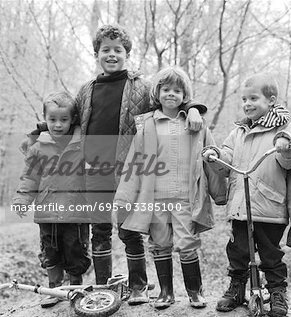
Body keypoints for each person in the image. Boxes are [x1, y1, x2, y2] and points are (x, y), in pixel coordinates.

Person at [21, 24, 207, 304]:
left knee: (130, 229)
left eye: (117, 50)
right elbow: (67, 119)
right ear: (96, 53)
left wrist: (194, 108)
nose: (111, 54)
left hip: (128, 171)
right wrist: (43, 132)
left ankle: (138, 286)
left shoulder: (141, 88)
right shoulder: (87, 90)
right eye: (105, 50)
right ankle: (102, 286)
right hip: (93, 171)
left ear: (126, 53)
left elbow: (171, 101)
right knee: (100, 230)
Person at [113, 66, 227, 309]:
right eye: (166, 90)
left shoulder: (196, 124)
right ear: (158, 92)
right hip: (155, 198)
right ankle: (165, 292)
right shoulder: (147, 126)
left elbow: (211, 158)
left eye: (177, 90)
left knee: (187, 243)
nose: (171, 94)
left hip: (185, 197)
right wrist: (124, 196)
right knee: (160, 243)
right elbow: (135, 162)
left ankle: (194, 292)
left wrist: (220, 193)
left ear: (185, 96)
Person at [203, 73, 291, 317]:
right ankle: (237, 288)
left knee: (271, 253)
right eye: (244, 99)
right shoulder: (238, 132)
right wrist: (215, 156)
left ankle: (277, 292)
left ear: (271, 100)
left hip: (269, 206)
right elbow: (227, 158)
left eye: (253, 98)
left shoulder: (284, 129)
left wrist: (287, 145)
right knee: (238, 250)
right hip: (241, 205)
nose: (247, 104)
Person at [12, 91, 90, 308]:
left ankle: (76, 288)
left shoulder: (82, 144)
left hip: (76, 212)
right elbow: (30, 177)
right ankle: (54, 289)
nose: (58, 124)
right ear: (44, 119)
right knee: (50, 251)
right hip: (47, 211)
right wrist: (22, 200)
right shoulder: (38, 147)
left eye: (64, 120)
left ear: (72, 119)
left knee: (76, 251)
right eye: (52, 119)